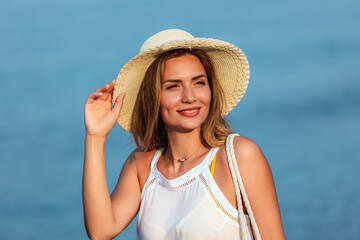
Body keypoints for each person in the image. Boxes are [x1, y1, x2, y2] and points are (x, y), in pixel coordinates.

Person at [83, 29, 285, 240]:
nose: (190, 97)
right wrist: (95, 137)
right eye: (173, 87)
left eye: (199, 83)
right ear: (153, 98)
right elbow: (100, 231)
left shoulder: (239, 156)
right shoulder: (141, 166)